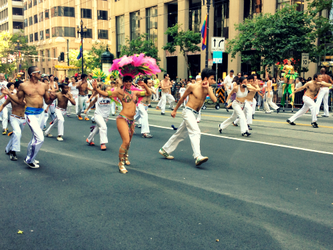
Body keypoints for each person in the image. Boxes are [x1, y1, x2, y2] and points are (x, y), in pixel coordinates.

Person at [92, 75, 151, 174]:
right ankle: (121, 164)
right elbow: (106, 93)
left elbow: (148, 93)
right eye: (126, 81)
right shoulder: (120, 92)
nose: (128, 83)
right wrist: (96, 89)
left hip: (131, 120)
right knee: (126, 141)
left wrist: (144, 84)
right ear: (123, 83)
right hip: (122, 118)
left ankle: (125, 156)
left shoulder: (135, 92)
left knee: (129, 142)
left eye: (130, 81)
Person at [159, 68, 217, 166]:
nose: (214, 81)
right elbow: (182, 98)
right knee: (195, 131)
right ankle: (197, 156)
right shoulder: (192, 86)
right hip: (188, 111)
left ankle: (164, 149)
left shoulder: (209, 88)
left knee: (180, 134)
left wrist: (208, 88)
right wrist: (174, 110)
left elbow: (215, 100)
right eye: (212, 79)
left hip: (194, 114)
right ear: (206, 78)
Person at [2, 66, 56, 168]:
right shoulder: (23, 86)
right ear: (33, 74)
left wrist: (52, 99)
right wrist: (9, 93)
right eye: (39, 72)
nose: (41, 74)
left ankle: (31, 157)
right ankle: (29, 159)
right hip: (30, 114)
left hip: (41, 114)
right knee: (40, 138)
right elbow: (18, 100)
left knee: (34, 138)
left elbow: (47, 101)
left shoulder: (44, 85)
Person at [0, 81, 25, 160]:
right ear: (17, 88)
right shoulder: (12, 97)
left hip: (23, 119)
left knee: (17, 135)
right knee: (17, 133)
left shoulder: (26, 97)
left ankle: (7, 148)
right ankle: (13, 151)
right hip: (14, 118)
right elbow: (3, 105)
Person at [85, 84, 112, 150]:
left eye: (110, 90)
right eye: (107, 90)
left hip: (105, 116)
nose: (109, 91)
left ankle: (89, 139)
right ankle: (103, 143)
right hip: (98, 115)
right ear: (103, 90)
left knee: (97, 129)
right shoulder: (98, 96)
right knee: (103, 127)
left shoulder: (111, 97)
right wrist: (87, 109)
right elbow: (92, 102)